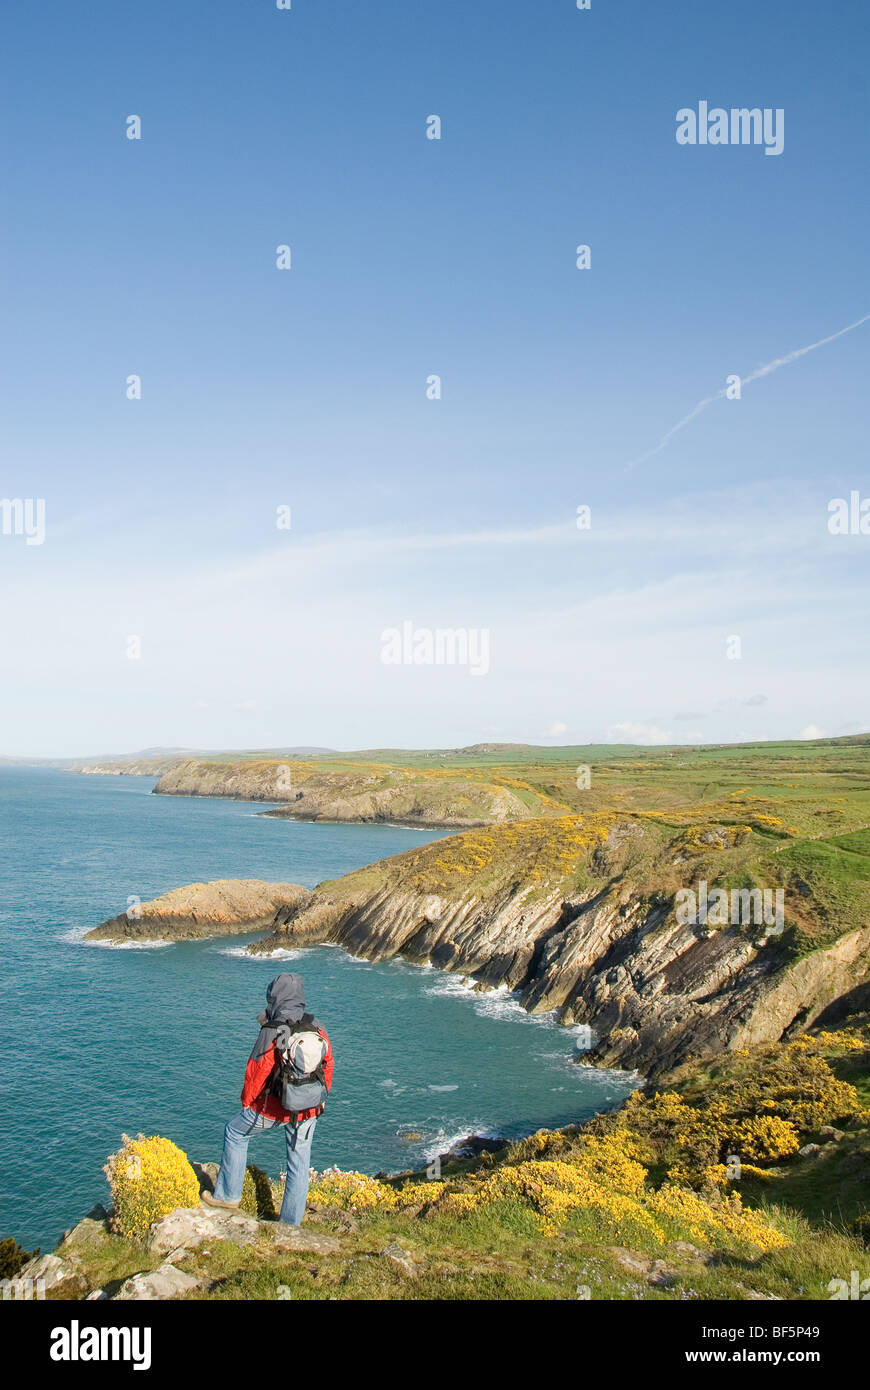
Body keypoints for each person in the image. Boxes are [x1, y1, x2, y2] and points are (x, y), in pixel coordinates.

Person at [203, 972, 334, 1226]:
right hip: (309, 1107)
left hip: (275, 1108)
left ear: (274, 997)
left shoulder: (273, 1030)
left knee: (235, 1133)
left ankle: (228, 1196)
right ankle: (290, 1224)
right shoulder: (316, 1025)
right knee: (298, 1162)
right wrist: (322, 1096)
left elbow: (257, 1069)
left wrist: (247, 1101)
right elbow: (328, 1063)